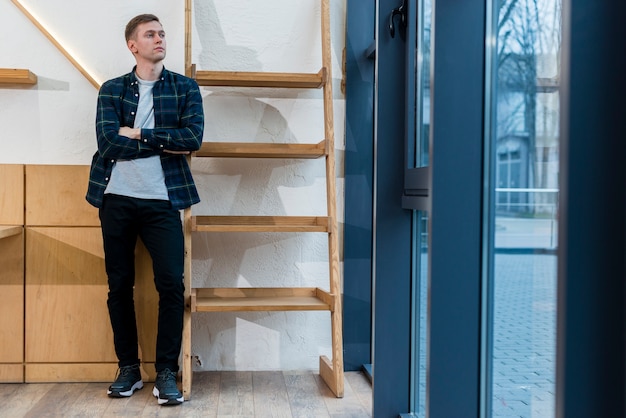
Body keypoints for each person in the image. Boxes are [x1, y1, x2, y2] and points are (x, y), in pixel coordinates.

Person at [86, 13, 204, 406]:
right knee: (119, 285)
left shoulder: (185, 88)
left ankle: (166, 371)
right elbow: (107, 144)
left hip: (163, 200)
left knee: (171, 284)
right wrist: (162, 142)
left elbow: (193, 138)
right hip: (115, 198)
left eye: (162, 33)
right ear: (132, 45)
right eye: (150, 34)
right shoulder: (112, 89)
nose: (159, 39)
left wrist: (137, 133)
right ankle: (129, 368)